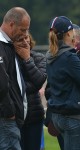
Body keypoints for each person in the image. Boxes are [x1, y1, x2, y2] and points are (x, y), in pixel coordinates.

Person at [45, 16, 80, 150]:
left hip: (57, 115)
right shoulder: (70, 57)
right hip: (74, 117)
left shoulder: (50, 55)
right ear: (69, 33)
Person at [0, 7, 30, 150]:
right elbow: (2, 84)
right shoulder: (1, 46)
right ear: (11, 24)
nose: (24, 34)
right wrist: (10, 111)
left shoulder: (9, 45)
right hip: (5, 119)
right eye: (23, 30)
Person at [14, 33, 47, 150]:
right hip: (15, 117)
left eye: (26, 37)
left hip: (34, 116)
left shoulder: (38, 57)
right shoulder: (10, 59)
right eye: (20, 39)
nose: (24, 41)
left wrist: (27, 60)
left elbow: (39, 81)